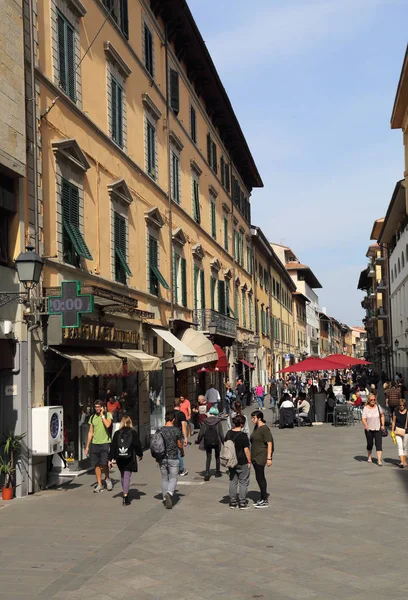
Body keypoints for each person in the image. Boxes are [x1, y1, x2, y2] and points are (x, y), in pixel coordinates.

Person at [108, 416, 143, 505]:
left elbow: (113, 446)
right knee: (127, 476)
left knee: (123, 475)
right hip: (129, 457)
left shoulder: (117, 433)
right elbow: (137, 445)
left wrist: (110, 459)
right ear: (130, 422)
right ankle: (125, 496)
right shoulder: (133, 433)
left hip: (119, 457)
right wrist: (140, 454)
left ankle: (124, 490)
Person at [85, 401, 113, 493]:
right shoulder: (92, 417)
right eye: (95, 407)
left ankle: (107, 479)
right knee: (96, 464)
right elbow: (90, 432)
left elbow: (108, 425)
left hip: (105, 442)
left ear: (102, 407)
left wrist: (102, 415)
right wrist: (87, 446)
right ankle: (100, 483)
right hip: (95, 443)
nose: (97, 408)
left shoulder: (108, 415)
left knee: (104, 463)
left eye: (98, 407)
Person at [224, 414, 251, 509]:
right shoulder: (243, 435)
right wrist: (249, 461)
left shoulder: (228, 433)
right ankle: (242, 502)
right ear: (242, 424)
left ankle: (232, 502)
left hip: (231, 461)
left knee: (233, 481)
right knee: (243, 482)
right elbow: (246, 450)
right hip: (242, 460)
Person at [158, 411, 184, 509]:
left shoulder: (160, 430)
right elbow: (179, 444)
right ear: (173, 419)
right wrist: (182, 452)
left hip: (162, 457)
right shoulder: (176, 430)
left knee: (164, 478)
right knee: (173, 477)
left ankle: (165, 499)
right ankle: (169, 493)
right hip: (173, 457)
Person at [250, 411, 273, 508]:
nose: (252, 420)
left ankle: (264, 499)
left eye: (254, 418)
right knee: (258, 477)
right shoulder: (256, 427)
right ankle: (262, 497)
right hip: (254, 455)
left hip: (261, 455)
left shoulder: (264, 429)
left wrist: (269, 458)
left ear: (259, 418)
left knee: (260, 477)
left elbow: (269, 443)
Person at [198, 406, 224, 481]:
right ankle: (217, 472)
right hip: (217, 440)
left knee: (208, 457)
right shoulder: (218, 421)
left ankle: (207, 472)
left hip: (207, 441)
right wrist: (224, 442)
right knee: (217, 456)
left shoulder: (205, 421)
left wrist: (198, 440)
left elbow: (201, 432)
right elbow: (221, 433)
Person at [362, 394, 385, 466]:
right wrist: (366, 425)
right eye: (371, 400)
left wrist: (383, 425)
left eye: (374, 400)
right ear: (369, 400)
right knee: (370, 444)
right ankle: (369, 456)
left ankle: (379, 460)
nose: (373, 401)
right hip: (369, 429)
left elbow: (382, 415)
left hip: (377, 428)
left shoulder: (378, 407)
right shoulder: (366, 408)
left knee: (379, 444)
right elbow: (363, 418)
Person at [174, 397, 188, 476]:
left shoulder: (169, 413)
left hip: (169, 434)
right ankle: (181, 469)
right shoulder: (181, 414)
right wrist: (185, 438)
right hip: (178, 434)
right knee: (179, 452)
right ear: (180, 404)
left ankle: (171, 468)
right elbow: (183, 426)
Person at [391, 399, 408, 468]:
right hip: (397, 430)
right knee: (400, 446)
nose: (402, 406)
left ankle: (404, 461)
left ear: (405, 405)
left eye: (403, 405)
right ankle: (401, 462)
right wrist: (392, 430)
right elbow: (394, 422)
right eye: (400, 405)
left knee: (405, 447)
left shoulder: (407, 412)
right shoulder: (396, 412)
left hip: (406, 431)